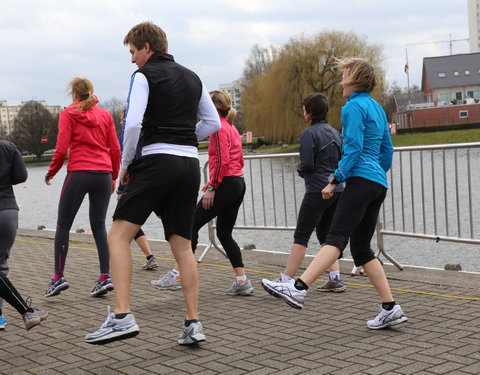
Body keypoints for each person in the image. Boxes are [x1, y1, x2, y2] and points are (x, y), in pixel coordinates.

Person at [84, 21, 220, 345]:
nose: (131, 59)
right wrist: (186, 139)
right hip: (189, 164)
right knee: (183, 246)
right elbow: (212, 122)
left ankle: (121, 316)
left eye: (132, 52)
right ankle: (192, 324)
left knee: (117, 236)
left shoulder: (144, 76)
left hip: (156, 161)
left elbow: (131, 126)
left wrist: (127, 164)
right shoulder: (194, 77)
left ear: (146, 47)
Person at [261, 58, 408, 330]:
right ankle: (390, 308)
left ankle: (298, 287)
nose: (341, 81)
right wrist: (376, 171)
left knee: (335, 238)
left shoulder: (352, 107)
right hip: (377, 183)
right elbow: (388, 150)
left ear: (355, 80)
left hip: (361, 180)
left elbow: (352, 148)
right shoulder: (376, 107)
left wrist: (335, 179)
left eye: (344, 76)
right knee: (362, 247)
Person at [151, 91, 253, 295]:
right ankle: (242, 281)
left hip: (226, 184)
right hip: (237, 183)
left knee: (190, 226)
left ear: (213, 109)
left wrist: (213, 187)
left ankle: (178, 275)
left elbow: (222, 161)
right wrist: (213, 184)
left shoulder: (218, 129)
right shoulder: (230, 127)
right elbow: (237, 160)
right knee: (224, 233)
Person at [261, 93, 346, 293]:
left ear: (308, 112)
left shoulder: (309, 133)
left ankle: (286, 280)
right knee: (327, 236)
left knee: (301, 236)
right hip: (337, 189)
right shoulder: (336, 132)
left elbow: (307, 164)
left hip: (317, 190)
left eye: (304, 109)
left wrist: (300, 171)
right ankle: (335, 277)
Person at [44, 78, 121, 298]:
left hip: (79, 173)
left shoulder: (68, 113)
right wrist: (113, 175)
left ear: (73, 93)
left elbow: (60, 149)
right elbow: (115, 148)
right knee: (99, 226)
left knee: (63, 225)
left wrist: (51, 172)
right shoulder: (105, 115)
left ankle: (58, 278)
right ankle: (104, 277)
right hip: (103, 174)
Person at [0, 140, 48, 329]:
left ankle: (26, 312)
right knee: (1, 266)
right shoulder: (8, 147)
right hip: (8, 212)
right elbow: (21, 175)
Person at [117, 107, 158, 270]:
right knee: (168, 219)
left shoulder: (128, 133)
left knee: (125, 220)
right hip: (155, 176)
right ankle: (181, 260)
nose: (121, 122)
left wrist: (120, 189)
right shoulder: (148, 131)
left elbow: (128, 161)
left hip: (137, 180)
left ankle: (146, 257)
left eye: (121, 119)